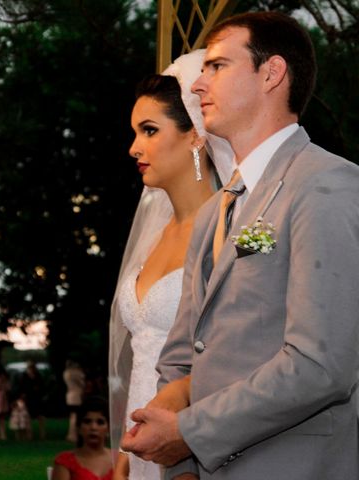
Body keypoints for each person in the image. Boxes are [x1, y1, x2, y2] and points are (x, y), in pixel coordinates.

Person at [121, 11, 359, 480]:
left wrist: (189, 432)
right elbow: (183, 354)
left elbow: (320, 365)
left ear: (271, 73)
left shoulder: (329, 186)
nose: (196, 85)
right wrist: (181, 464)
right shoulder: (215, 210)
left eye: (217, 67)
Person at [108, 49, 232, 480]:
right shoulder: (153, 237)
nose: (133, 147)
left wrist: (188, 456)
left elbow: (234, 356)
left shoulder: (227, 232)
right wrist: (126, 449)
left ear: (196, 134)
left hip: (193, 445)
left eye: (149, 131)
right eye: (134, 132)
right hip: (141, 441)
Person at [51, 397, 113, 480]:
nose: (93, 427)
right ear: (78, 428)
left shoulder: (119, 459)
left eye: (100, 422)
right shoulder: (65, 461)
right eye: (87, 421)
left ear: (108, 428)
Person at [18, 360, 46, 439]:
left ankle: (42, 433)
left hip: (37, 398)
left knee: (40, 416)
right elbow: (21, 388)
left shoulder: (38, 376)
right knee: (28, 417)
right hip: (28, 399)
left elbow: (42, 386)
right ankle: (29, 434)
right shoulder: (24, 376)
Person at [63, 360, 86, 443]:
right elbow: (82, 383)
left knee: (72, 416)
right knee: (75, 416)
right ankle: (73, 435)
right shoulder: (76, 372)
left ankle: (71, 434)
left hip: (69, 395)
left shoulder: (66, 373)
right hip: (76, 396)